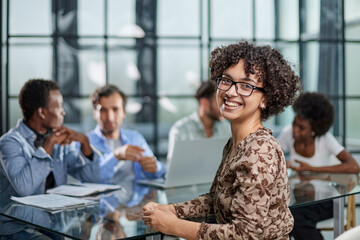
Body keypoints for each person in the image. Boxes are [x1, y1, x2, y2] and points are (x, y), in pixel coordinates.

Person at [142, 41, 301, 239]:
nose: (231, 92)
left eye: (245, 86)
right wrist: (171, 210)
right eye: (226, 80)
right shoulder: (237, 143)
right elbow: (216, 199)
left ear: (265, 99)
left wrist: (174, 226)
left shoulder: (260, 150)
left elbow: (244, 235)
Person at [277, 92, 360, 240]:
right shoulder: (288, 133)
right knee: (284, 215)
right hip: (299, 198)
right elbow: (273, 155)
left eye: (301, 128)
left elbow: (354, 167)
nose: (295, 130)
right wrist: (282, 164)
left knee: (294, 218)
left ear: (314, 129)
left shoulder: (325, 139)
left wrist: (309, 169)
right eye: (294, 123)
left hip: (328, 199)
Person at [0, 79, 100, 201]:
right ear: (42, 112)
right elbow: (24, 188)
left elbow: (92, 179)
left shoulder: (59, 140)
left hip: (56, 217)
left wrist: (85, 143)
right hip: (19, 219)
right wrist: (49, 143)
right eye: (59, 106)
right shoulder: (9, 142)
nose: (64, 111)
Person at [87, 85, 165, 185]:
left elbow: (160, 173)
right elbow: (89, 179)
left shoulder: (135, 138)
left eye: (115, 109)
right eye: (103, 110)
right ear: (94, 113)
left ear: (123, 112)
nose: (110, 117)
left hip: (137, 199)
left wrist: (155, 168)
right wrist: (116, 156)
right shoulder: (85, 142)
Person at [167, 80, 231, 159]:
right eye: (219, 101)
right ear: (204, 102)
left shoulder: (226, 128)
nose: (223, 107)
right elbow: (175, 166)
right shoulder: (181, 130)